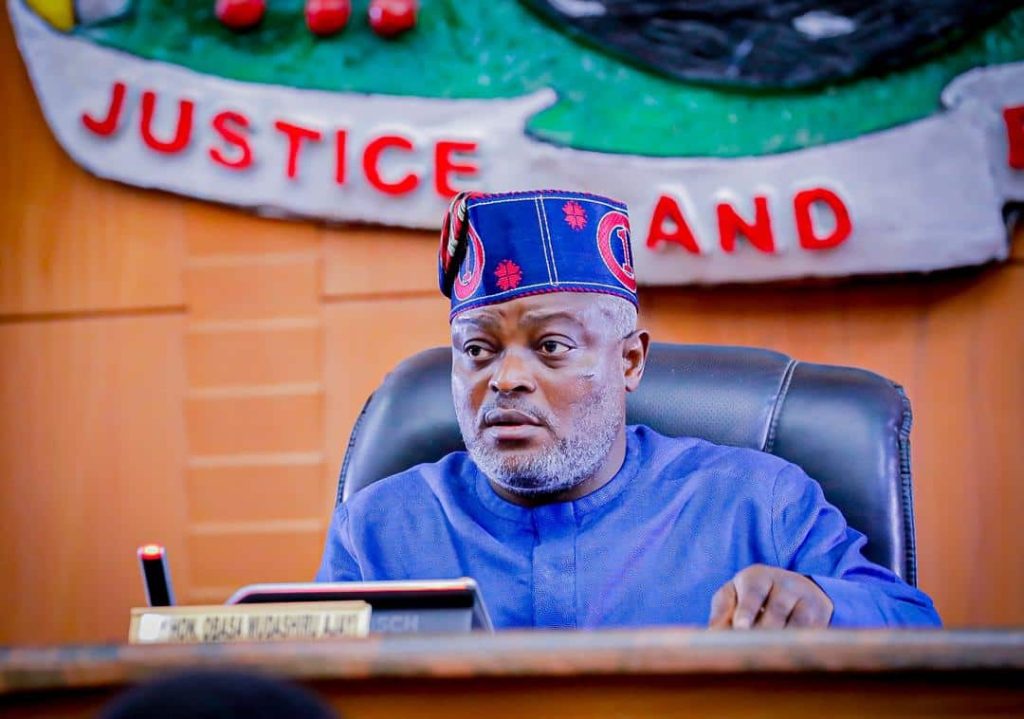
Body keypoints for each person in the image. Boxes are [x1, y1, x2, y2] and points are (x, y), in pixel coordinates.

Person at [317, 189, 941, 630]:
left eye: (552, 346)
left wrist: (820, 603)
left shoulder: (755, 500)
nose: (505, 379)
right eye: (477, 350)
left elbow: (919, 633)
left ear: (630, 363)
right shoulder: (377, 528)